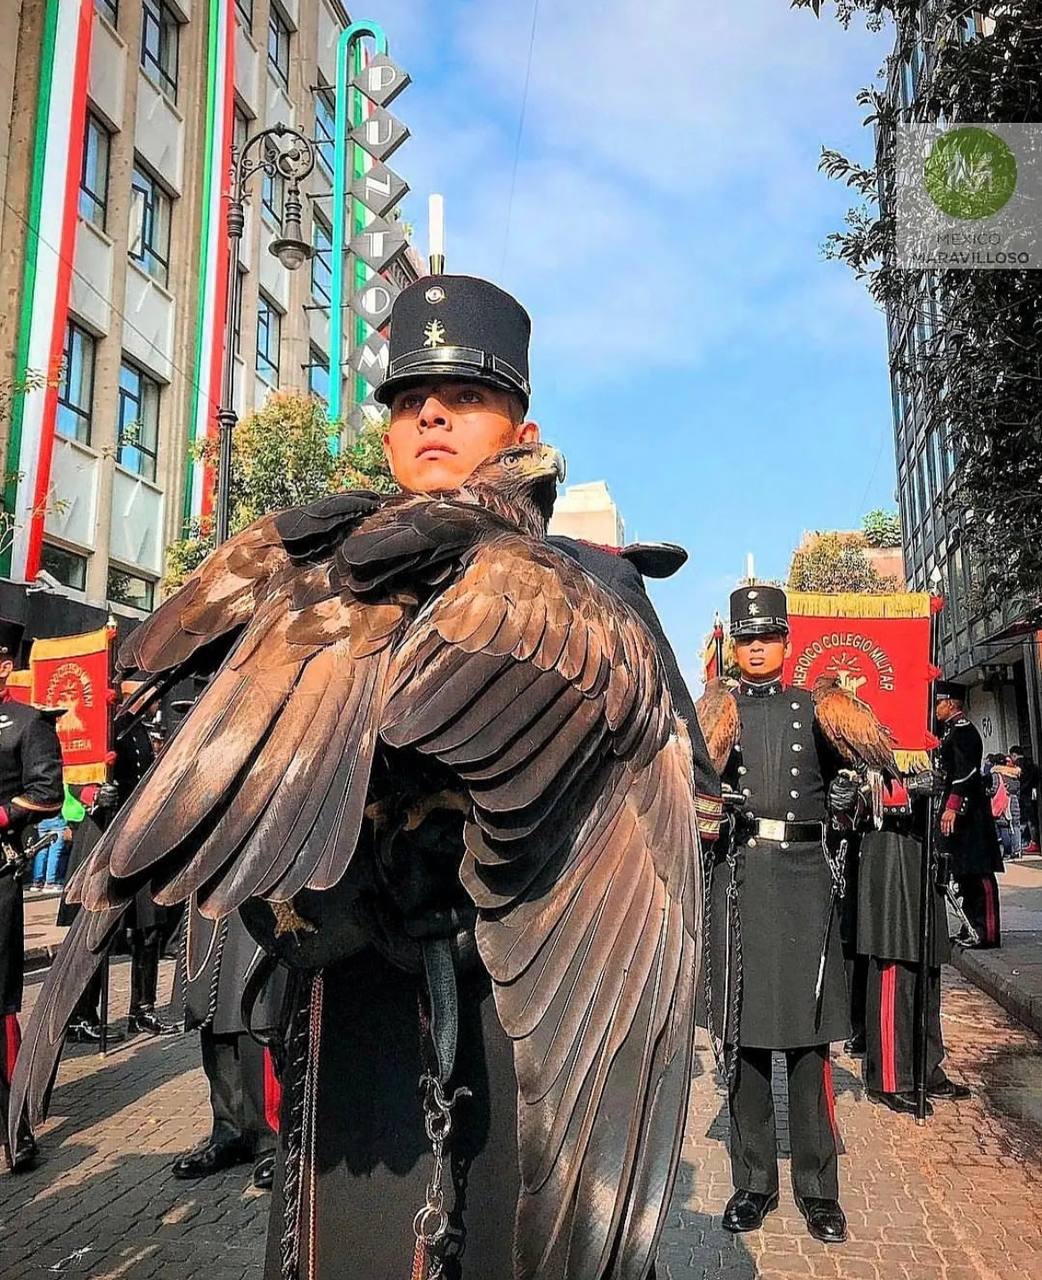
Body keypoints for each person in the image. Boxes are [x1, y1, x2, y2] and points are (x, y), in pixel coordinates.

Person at [233, 274, 724, 1279]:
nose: (429, 412)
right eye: (407, 397)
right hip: (351, 1002)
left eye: (462, 395)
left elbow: (686, 813)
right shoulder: (311, 579)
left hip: (518, 1006)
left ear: (521, 424)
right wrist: (289, 907)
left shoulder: (595, 583)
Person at [696, 586, 894, 1246]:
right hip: (742, 880)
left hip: (807, 882)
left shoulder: (821, 709)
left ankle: (818, 1188)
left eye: (769, 636)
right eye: (747, 637)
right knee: (746, 1041)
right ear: (736, 645)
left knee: (810, 1045)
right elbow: (688, 798)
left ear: (786, 643)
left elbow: (868, 799)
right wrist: (710, 812)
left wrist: (846, 800)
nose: (757, 646)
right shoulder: (715, 716)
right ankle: (753, 1183)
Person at [58, 717, 179, 1040]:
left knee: (149, 928)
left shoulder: (138, 727)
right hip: (102, 838)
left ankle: (142, 1010)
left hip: (136, 839)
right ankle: (81, 1016)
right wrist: (93, 796)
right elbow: (72, 774)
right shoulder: (100, 724)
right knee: (96, 933)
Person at [858, 777, 971, 1112]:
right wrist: (906, 789)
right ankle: (891, 1076)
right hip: (891, 844)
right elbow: (862, 786)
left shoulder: (939, 730)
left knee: (928, 964)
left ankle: (925, 1064)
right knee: (896, 963)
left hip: (924, 844)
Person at [0, 638, 64, 1170]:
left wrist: (0, 817)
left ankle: (14, 1124)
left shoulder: (27, 723)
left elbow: (46, 793)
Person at [171, 897, 284, 1191]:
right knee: (214, 1004)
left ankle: (269, 1138)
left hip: (258, 884)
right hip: (210, 889)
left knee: (257, 1008)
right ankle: (228, 1130)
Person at [935, 682, 1003, 949]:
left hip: (971, 814)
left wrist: (952, 806)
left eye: (939, 702)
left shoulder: (964, 733)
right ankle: (971, 925)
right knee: (963, 874)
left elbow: (964, 772)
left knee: (979, 874)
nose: (936, 708)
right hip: (959, 817)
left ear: (951, 703)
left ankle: (988, 930)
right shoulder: (948, 731)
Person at [28, 813, 71, 891]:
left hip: (42, 820)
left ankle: (37, 881)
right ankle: (50, 882)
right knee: (54, 852)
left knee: (41, 850)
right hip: (57, 820)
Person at [1012, 747, 1040, 853]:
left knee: (1025, 819)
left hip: (1023, 795)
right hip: (1033, 794)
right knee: (1033, 819)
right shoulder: (1033, 765)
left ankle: (1030, 842)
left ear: (1014, 755)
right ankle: (1034, 841)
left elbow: (1017, 779)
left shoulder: (1018, 765)